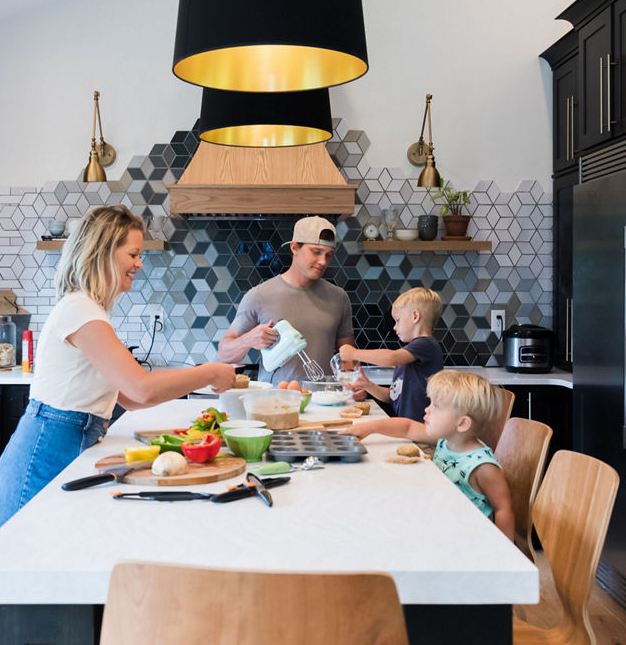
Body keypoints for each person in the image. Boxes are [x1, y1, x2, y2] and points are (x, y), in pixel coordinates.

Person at [0, 205, 235, 534]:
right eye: (133, 254)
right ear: (103, 252)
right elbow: (141, 387)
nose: (139, 263)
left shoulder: (89, 309)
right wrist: (210, 372)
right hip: (47, 449)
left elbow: (129, 399)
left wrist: (193, 414)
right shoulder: (81, 310)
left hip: (67, 439)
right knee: (25, 566)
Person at [341, 370, 513, 540]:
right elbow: (407, 427)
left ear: (462, 423)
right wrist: (369, 428)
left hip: (465, 539)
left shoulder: (483, 467)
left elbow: (503, 510)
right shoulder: (447, 440)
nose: (427, 409)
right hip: (440, 524)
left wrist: (506, 558)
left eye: (436, 407)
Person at [218, 215, 355, 384]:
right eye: (316, 252)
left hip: (323, 403)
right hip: (273, 404)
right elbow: (223, 355)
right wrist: (249, 339)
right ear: (294, 247)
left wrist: (354, 386)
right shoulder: (259, 296)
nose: (323, 261)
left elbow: (348, 357)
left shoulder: (339, 298)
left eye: (329, 255)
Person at [338, 286, 444, 422]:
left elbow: (391, 358)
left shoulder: (426, 344)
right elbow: (392, 397)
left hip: (423, 429)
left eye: (398, 320)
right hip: (408, 430)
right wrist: (367, 385)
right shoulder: (410, 354)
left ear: (415, 316)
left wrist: (354, 353)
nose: (394, 327)